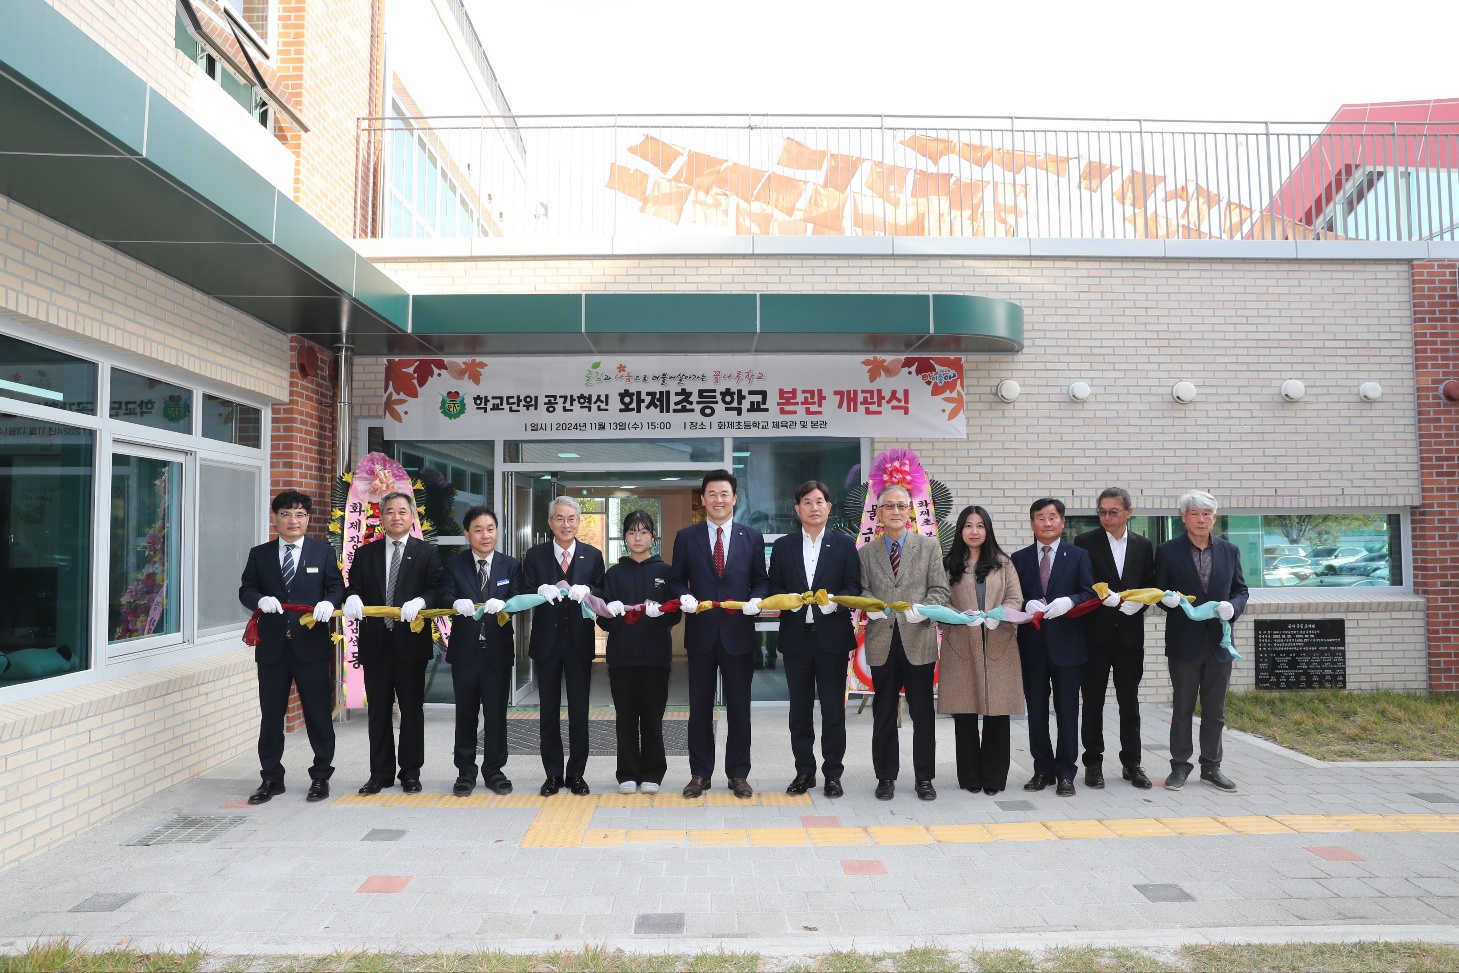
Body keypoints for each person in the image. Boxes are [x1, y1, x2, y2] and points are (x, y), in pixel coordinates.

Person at [668, 469, 769, 799]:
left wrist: (757, 599)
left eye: (724, 494)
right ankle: (700, 774)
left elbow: (761, 580)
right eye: (712, 494)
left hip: (738, 633)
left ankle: (738, 774)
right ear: (703, 499)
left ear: (734, 499)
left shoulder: (751, 537)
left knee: (740, 707)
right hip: (701, 634)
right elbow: (676, 579)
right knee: (699, 708)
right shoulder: (687, 537)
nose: (718, 500)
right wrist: (682, 594)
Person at [238, 490, 344, 804]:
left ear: (307, 519)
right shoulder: (260, 554)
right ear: (276, 517)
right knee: (271, 717)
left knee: (318, 716)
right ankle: (271, 779)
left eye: (299, 514)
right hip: (272, 650)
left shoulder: (322, 552)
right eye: (286, 514)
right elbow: (246, 589)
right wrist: (259, 600)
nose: (293, 520)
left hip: (310, 648)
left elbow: (337, 586)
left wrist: (329, 601)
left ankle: (321, 777)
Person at [343, 491, 444, 794]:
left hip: (410, 645)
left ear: (412, 517)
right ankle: (380, 773)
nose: (396, 517)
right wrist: (352, 598)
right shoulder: (366, 554)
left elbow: (437, 588)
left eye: (402, 511)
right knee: (378, 711)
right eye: (390, 512)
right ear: (382, 517)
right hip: (376, 644)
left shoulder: (426, 552)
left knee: (412, 710)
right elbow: (353, 589)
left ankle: (410, 773)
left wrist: (422, 600)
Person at [768, 480, 862, 798]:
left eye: (819, 501)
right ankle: (804, 772)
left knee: (833, 711)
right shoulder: (783, 547)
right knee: (800, 711)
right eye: (807, 502)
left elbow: (854, 587)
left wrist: (835, 600)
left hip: (832, 639)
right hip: (797, 641)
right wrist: (788, 599)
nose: (814, 507)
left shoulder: (845, 545)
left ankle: (833, 774)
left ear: (828, 507)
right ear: (797, 509)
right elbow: (772, 590)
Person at [857, 484, 950, 801]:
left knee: (923, 713)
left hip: (918, 638)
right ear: (879, 513)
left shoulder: (928, 548)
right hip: (882, 640)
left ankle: (925, 777)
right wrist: (875, 606)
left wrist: (921, 611)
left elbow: (940, 590)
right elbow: (862, 591)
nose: (895, 512)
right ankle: (885, 777)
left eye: (901, 506)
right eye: (889, 507)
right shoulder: (867, 553)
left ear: (909, 511)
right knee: (883, 713)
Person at [1155, 489, 1249, 793]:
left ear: (1215, 518)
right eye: (1194, 513)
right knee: (1182, 707)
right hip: (1184, 642)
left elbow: (1241, 590)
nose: (1200, 519)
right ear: (1183, 518)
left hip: (1219, 643)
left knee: (1215, 709)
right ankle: (1179, 767)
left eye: (1206, 513)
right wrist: (1165, 601)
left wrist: (1233, 607)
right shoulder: (1168, 551)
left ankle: (1211, 766)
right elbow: (1160, 591)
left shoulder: (1229, 550)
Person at [1011, 498, 1095, 797]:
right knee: (1036, 710)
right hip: (1032, 646)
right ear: (1032, 522)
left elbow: (1090, 592)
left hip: (1069, 646)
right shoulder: (1018, 559)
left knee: (1068, 710)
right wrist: (1025, 604)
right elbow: (1011, 598)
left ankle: (1066, 773)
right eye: (1040, 517)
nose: (1047, 523)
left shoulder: (1079, 555)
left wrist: (1070, 601)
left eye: (1052, 517)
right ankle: (1042, 769)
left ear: (1062, 521)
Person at [522, 496, 606, 796]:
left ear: (579, 522)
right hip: (546, 644)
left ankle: (577, 774)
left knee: (580, 711)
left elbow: (602, 589)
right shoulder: (534, 555)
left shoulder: (593, 555)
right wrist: (538, 590)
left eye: (571, 518)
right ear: (550, 522)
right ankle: (553, 774)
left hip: (579, 644)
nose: (565, 524)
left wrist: (591, 590)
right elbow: (524, 588)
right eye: (559, 518)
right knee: (548, 711)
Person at [938, 505, 1024, 796]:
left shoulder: (1003, 563)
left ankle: (994, 777)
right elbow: (939, 599)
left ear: (987, 530)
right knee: (965, 714)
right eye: (968, 526)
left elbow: (1016, 598)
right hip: (961, 643)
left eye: (980, 526)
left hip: (998, 642)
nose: (974, 531)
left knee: (997, 715)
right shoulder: (949, 563)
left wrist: (998, 613)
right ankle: (970, 777)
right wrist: (960, 615)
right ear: (960, 530)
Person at [1074, 488, 1158, 790]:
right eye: (1102, 511)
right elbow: (1081, 583)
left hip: (1130, 637)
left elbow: (1150, 584)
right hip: (1095, 635)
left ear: (1128, 512)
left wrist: (1143, 602)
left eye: (1113, 511)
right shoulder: (1085, 542)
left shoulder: (1143, 545)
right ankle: (1093, 763)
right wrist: (1100, 598)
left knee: (1129, 703)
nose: (1107, 517)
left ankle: (1132, 763)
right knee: (1093, 702)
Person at [442, 506, 525, 797]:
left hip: (497, 653)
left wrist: (507, 603)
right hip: (465, 653)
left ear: (497, 532)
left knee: (496, 714)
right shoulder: (455, 564)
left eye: (490, 529)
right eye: (478, 529)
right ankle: (465, 772)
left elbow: (517, 595)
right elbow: (445, 594)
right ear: (467, 535)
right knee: (466, 714)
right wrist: (454, 604)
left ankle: (494, 770)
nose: (485, 535)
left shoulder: (510, 565)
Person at [596, 510, 681, 794]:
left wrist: (662, 613)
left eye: (643, 532)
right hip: (622, 658)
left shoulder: (666, 572)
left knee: (653, 717)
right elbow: (602, 618)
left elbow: (675, 615)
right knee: (626, 718)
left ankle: (654, 773)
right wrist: (612, 612)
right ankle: (627, 774)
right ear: (624, 537)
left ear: (652, 536)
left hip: (656, 658)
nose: (637, 538)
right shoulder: (614, 573)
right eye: (632, 532)